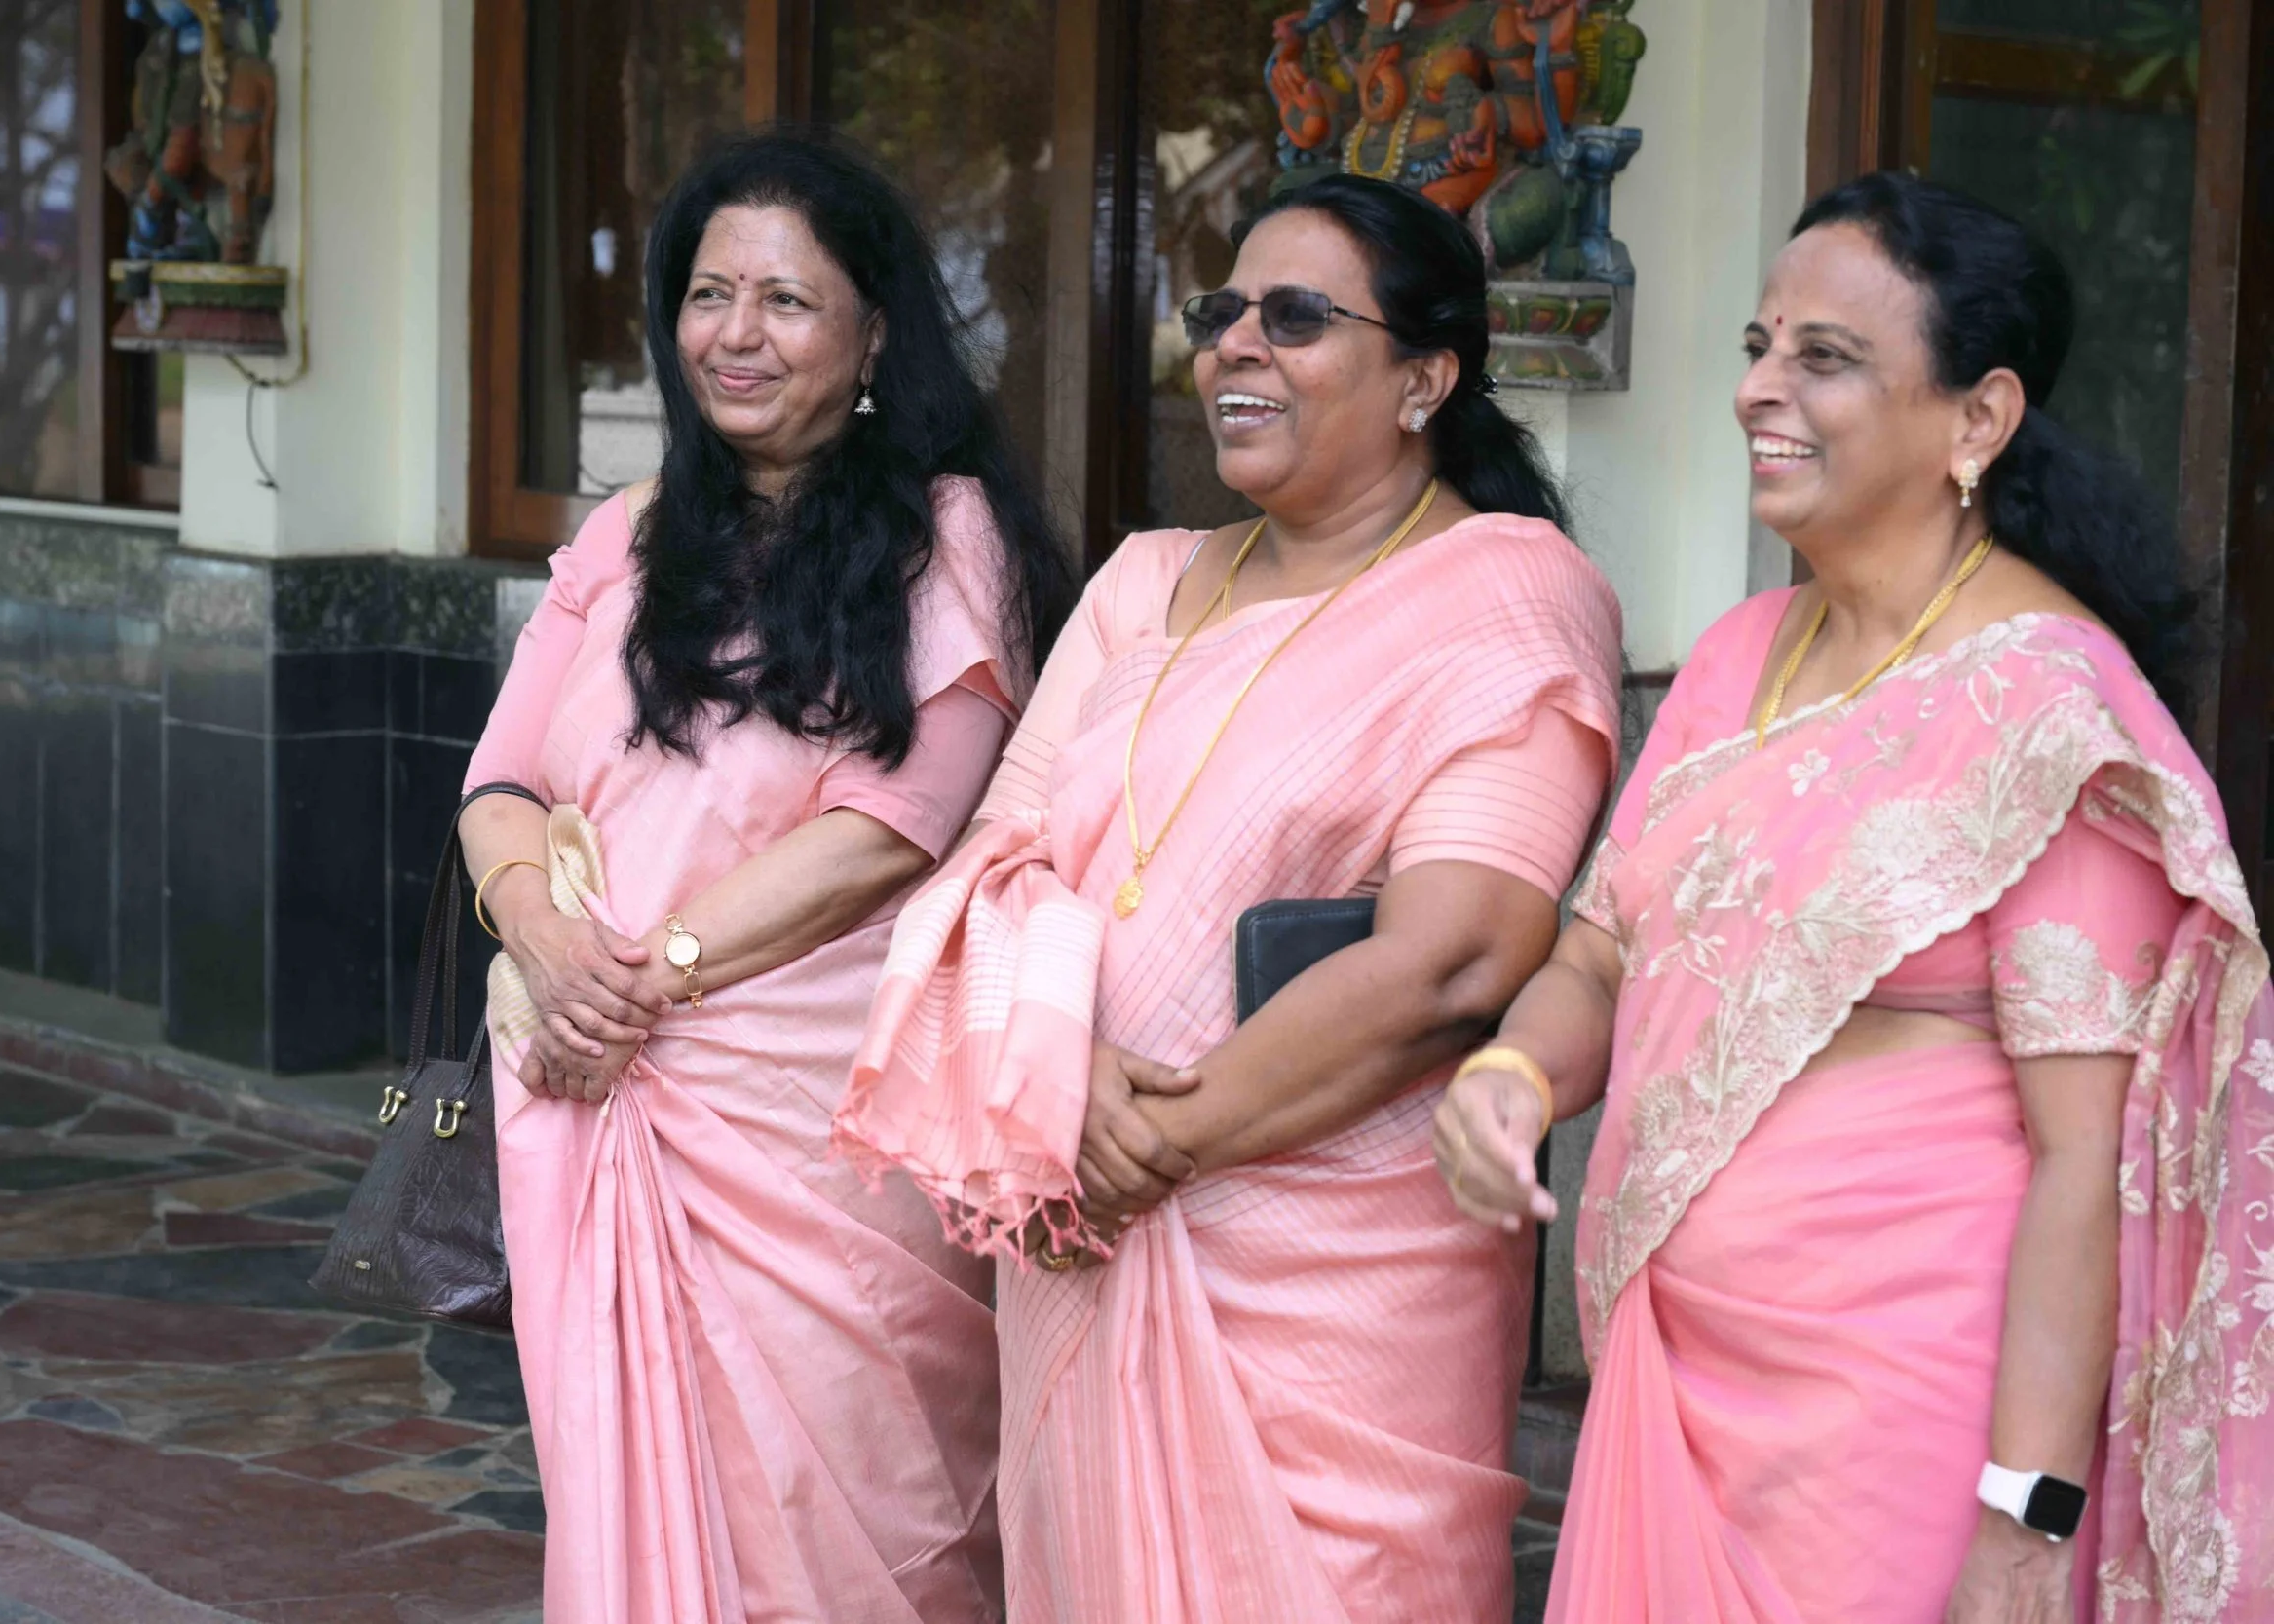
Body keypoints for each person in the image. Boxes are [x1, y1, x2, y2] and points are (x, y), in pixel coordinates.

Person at [1433, 170, 2274, 1623]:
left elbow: (2092, 1160)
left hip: (1905, 1420)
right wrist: (1514, 1069)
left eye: (1823, 358)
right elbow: (1597, 951)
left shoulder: (2048, 709)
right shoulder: (1733, 658)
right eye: (1759, 346)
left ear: (1978, 419)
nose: (1762, 387)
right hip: (1676, 1387)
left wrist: (2027, 1517)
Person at [835, 173, 1623, 1623]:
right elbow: (987, 873)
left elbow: (1456, 955)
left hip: (1335, 1281)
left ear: (1424, 379)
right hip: (1074, 1215)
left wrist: (1143, 1146)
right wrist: (1054, 1093)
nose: (1236, 346)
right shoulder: (1144, 581)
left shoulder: (1507, 595)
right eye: (1222, 312)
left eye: (1299, 318)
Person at [457, 132, 1074, 1622]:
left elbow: (891, 826)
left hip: (817, 1129)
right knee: (633, 1499)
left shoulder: (951, 539)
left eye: (787, 300)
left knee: (845, 1509)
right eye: (710, 294)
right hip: (587, 1074)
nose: (737, 334)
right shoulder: (627, 532)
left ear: (873, 332)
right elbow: (502, 782)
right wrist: (546, 936)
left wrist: (644, 976)